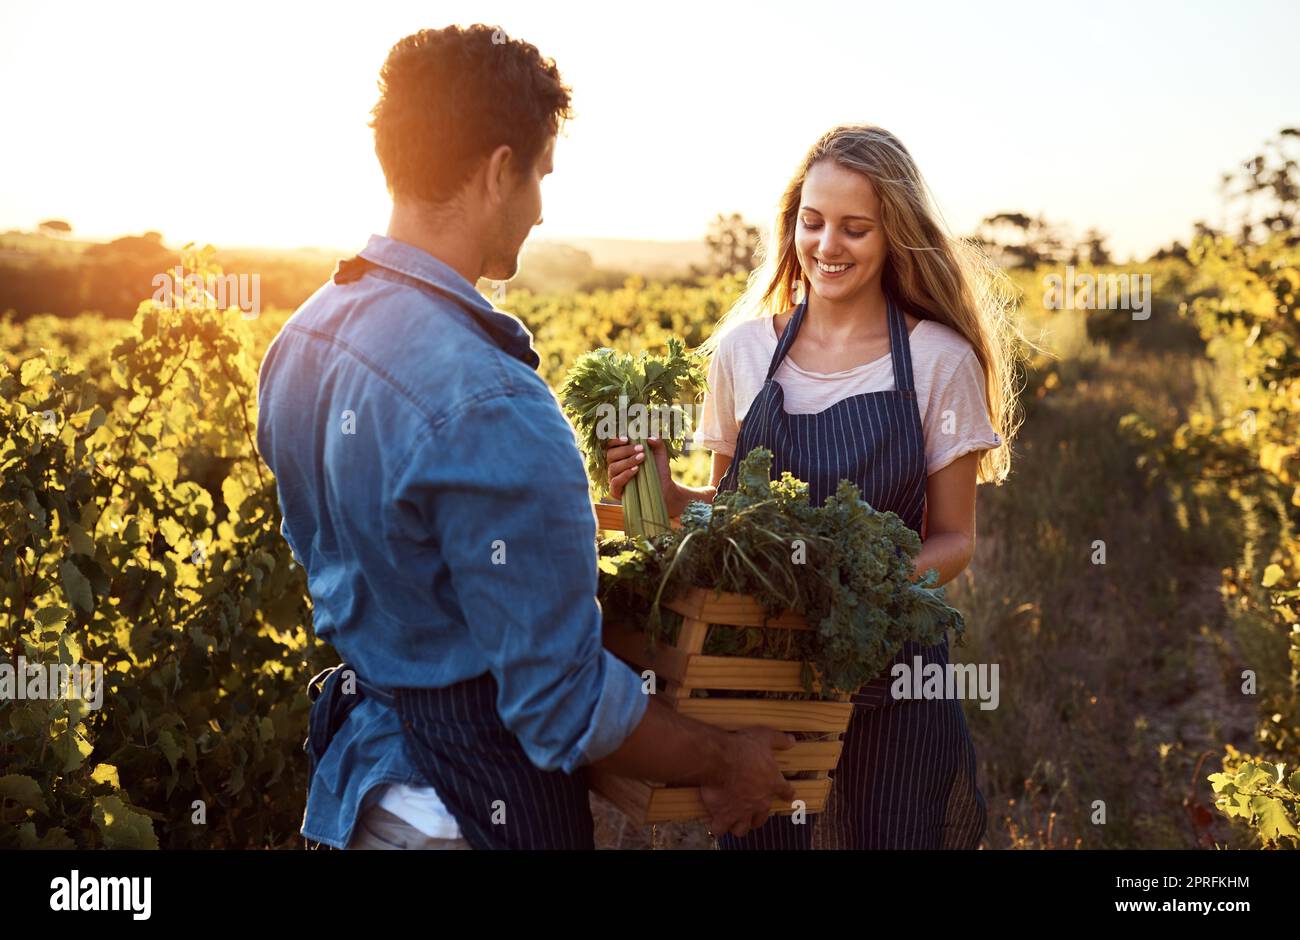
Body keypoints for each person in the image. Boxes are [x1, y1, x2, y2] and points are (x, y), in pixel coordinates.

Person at [256, 24, 795, 851]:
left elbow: (410, 552)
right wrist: (726, 758)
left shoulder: (303, 340)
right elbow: (561, 705)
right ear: (500, 169)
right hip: (465, 817)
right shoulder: (497, 400)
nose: (542, 207)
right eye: (541, 174)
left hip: (358, 796)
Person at [605, 123, 1023, 848]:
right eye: (813, 221)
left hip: (893, 681)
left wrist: (855, 592)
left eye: (856, 228)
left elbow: (955, 540)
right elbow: (731, 521)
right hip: (762, 689)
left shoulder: (936, 359)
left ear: (895, 234)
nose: (828, 246)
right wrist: (671, 501)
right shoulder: (743, 353)